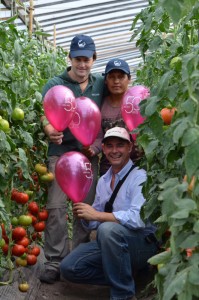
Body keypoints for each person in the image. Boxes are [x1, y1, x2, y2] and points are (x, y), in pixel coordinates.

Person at [60, 127, 158, 300]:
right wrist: (84, 215)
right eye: (109, 146)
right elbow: (95, 220)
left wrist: (97, 216)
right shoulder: (103, 181)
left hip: (142, 245)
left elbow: (138, 219)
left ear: (130, 147)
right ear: (103, 149)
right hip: (114, 245)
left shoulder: (140, 177)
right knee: (69, 267)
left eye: (120, 145)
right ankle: (126, 276)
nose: (114, 151)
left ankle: (123, 295)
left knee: (107, 230)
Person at [39, 34, 104, 284]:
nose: (82, 65)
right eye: (78, 59)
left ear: (93, 60)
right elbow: (44, 112)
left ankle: (76, 259)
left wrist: (97, 147)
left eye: (86, 59)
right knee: (56, 207)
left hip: (88, 158)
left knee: (83, 209)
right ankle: (54, 261)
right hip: (61, 154)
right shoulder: (56, 83)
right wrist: (48, 129)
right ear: (70, 59)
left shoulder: (100, 84)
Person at [86, 58, 142, 176]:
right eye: (112, 77)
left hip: (138, 165)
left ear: (129, 79)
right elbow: (99, 136)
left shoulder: (138, 101)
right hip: (109, 168)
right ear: (105, 80)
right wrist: (92, 150)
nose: (116, 81)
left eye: (121, 77)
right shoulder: (100, 105)